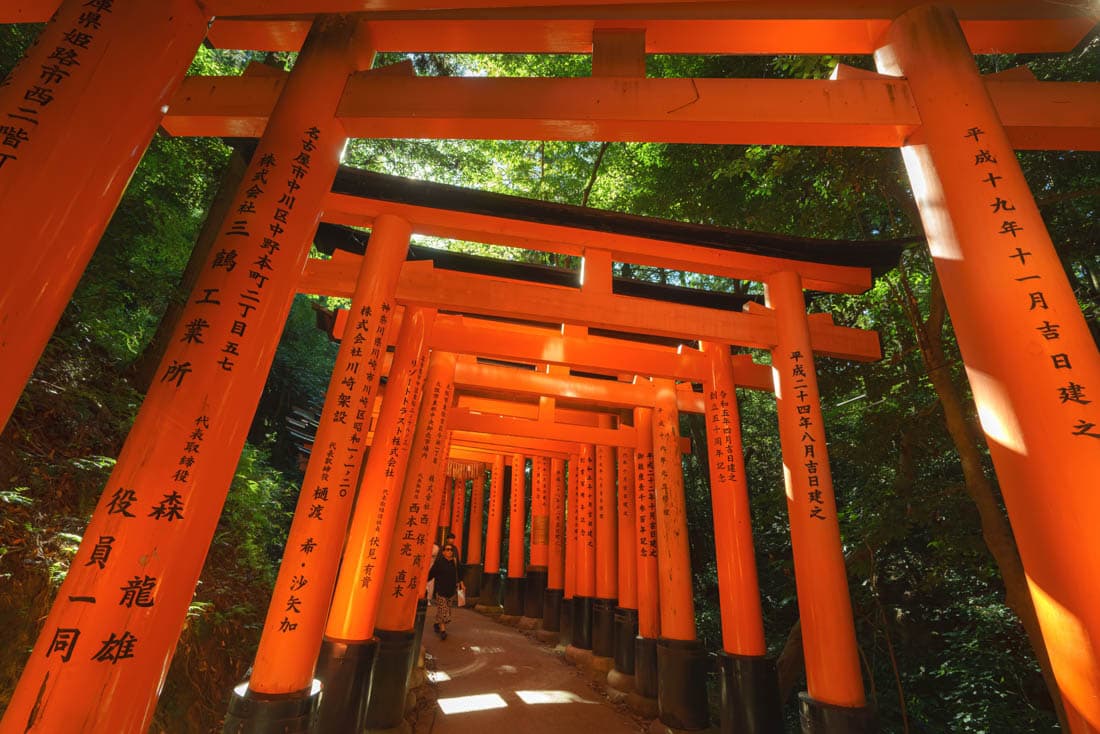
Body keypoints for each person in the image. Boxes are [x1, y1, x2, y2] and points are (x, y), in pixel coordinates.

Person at [427, 544, 463, 640]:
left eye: (451, 550)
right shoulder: (439, 563)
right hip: (440, 590)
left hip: (451, 590)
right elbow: (431, 574)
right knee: (444, 611)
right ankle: (443, 631)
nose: (449, 551)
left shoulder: (455, 562)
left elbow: (459, 574)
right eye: (447, 549)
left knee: (445, 609)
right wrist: (423, 582)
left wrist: (462, 584)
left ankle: (436, 623)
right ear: (443, 552)